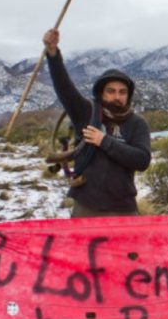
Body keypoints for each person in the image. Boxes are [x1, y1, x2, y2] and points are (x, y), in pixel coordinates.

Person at [43, 28, 151, 218]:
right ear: (101, 93)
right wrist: (53, 54)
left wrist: (104, 141)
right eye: (111, 91)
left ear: (128, 96)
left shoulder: (137, 123)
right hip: (87, 207)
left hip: (124, 208)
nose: (117, 96)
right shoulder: (87, 114)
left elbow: (142, 161)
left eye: (122, 92)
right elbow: (64, 88)